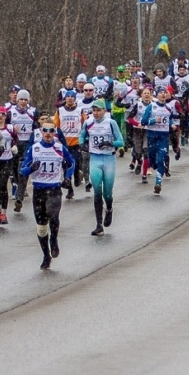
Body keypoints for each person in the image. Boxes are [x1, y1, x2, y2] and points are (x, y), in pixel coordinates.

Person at [19, 122, 76, 270]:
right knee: (41, 227)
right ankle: (46, 255)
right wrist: (31, 168)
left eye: (51, 130)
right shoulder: (34, 149)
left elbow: (71, 163)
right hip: (38, 190)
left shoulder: (59, 148)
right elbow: (23, 170)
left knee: (53, 214)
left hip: (54, 188)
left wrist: (68, 177)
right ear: (41, 132)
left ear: (55, 132)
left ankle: (54, 240)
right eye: (45, 130)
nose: (48, 133)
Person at [79, 99, 123, 235]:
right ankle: (99, 225)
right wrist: (82, 144)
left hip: (109, 159)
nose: (96, 113)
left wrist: (109, 143)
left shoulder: (111, 123)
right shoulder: (88, 122)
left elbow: (121, 141)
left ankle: (109, 208)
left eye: (99, 110)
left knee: (107, 193)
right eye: (94, 110)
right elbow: (82, 135)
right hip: (95, 159)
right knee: (97, 191)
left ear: (104, 110)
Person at [141, 87, 175, 194]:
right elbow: (143, 121)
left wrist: (172, 124)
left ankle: (158, 183)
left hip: (163, 137)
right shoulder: (152, 106)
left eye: (165, 93)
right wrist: (154, 120)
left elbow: (170, 119)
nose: (163, 95)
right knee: (152, 160)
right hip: (152, 136)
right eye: (161, 93)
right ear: (157, 95)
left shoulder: (169, 108)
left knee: (161, 160)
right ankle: (154, 165)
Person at [10, 89, 40, 210]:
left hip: (28, 143)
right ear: (17, 100)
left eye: (25, 100)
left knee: (22, 168)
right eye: (21, 99)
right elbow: (5, 127)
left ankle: (19, 197)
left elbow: (37, 126)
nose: (23, 102)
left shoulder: (33, 112)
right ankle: (18, 186)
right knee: (14, 169)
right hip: (15, 144)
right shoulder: (11, 112)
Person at [54, 90, 86, 199]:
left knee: (75, 163)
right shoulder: (60, 111)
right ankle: (70, 189)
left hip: (76, 142)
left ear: (75, 98)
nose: (70, 98)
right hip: (64, 143)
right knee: (65, 166)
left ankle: (77, 175)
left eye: (72, 96)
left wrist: (84, 137)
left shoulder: (79, 110)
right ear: (65, 98)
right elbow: (56, 127)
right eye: (68, 96)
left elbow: (85, 124)